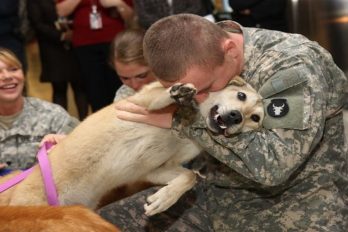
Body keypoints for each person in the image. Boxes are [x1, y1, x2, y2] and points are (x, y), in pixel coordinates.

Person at [99, 14, 348, 231]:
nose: (197, 98)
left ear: (230, 51)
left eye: (205, 88)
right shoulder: (193, 50)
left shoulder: (292, 67)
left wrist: (182, 122)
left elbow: (275, 166)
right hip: (212, 193)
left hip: (297, 204)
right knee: (94, 224)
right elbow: (133, 106)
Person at [0, 47, 79, 172]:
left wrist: (66, 147)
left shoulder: (52, 116)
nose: (7, 76)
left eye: (14, 69)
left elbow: (86, 153)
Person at [55, 0, 134, 112]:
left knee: (120, 85)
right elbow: (61, 11)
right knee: (94, 89)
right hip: (84, 44)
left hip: (115, 41)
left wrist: (118, 3)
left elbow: (131, 17)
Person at [27, 0, 88, 120]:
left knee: (80, 87)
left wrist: (76, 32)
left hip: (76, 44)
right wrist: (61, 36)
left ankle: (84, 121)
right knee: (59, 88)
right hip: (51, 48)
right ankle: (61, 124)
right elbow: (37, 24)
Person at [111, 28, 156, 101]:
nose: (134, 85)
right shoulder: (124, 96)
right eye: (125, 78)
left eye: (142, 76)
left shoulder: (177, 86)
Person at [134, 0, 215, 29]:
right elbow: (143, 17)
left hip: (189, 28)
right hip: (158, 33)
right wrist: (167, 24)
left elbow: (197, 8)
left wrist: (176, 23)